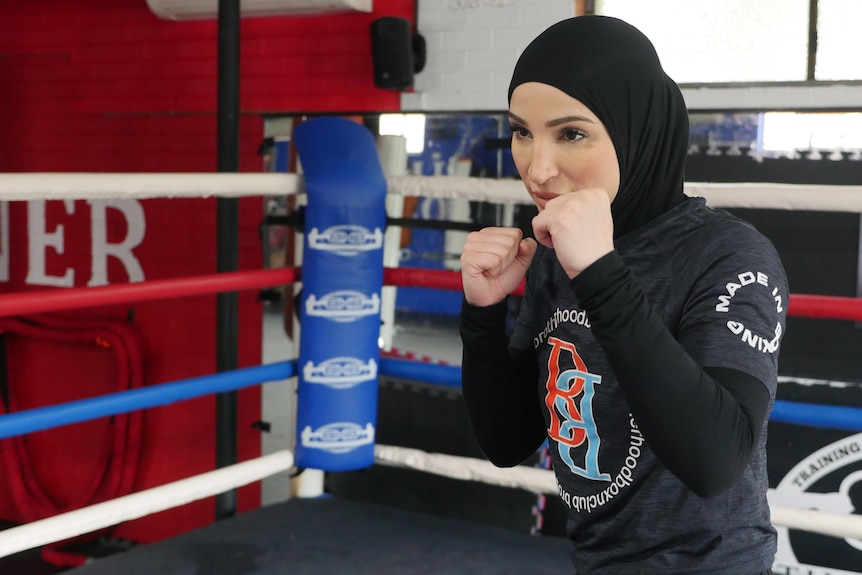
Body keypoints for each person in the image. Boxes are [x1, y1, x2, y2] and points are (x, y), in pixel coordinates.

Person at [459, 15, 786, 575]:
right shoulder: (555, 248)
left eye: (571, 133)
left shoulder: (729, 255)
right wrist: (483, 316)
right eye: (521, 132)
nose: (538, 168)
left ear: (637, 130)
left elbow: (714, 462)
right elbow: (508, 440)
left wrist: (600, 272)